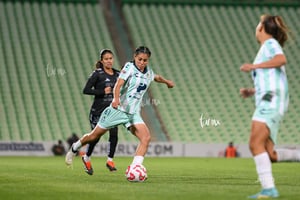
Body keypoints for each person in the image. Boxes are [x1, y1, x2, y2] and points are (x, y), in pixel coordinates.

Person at [65, 46, 174, 173]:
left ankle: (135, 168)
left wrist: (167, 82)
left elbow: (156, 77)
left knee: (146, 138)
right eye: (140, 59)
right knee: (94, 136)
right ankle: (75, 147)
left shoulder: (148, 72)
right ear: (135, 57)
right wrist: (116, 99)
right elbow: (118, 84)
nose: (142, 63)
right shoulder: (129, 67)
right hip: (118, 110)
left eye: (145, 60)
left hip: (133, 114)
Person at [240, 14, 300, 199]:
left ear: (262, 28)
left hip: (271, 101)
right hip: (272, 99)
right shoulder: (266, 48)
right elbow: (271, 79)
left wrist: (253, 66)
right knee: (270, 154)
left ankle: (269, 189)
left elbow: (281, 59)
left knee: (254, 144)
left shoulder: (270, 44)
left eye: (259, 23)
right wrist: (252, 91)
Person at [82, 49, 120, 175]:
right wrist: (102, 92)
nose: (109, 61)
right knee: (95, 138)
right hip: (98, 111)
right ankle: (86, 157)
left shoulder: (117, 74)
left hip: (112, 111)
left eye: (111, 58)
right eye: (106, 59)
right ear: (102, 61)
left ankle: (110, 160)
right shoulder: (97, 74)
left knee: (114, 134)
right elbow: (86, 90)